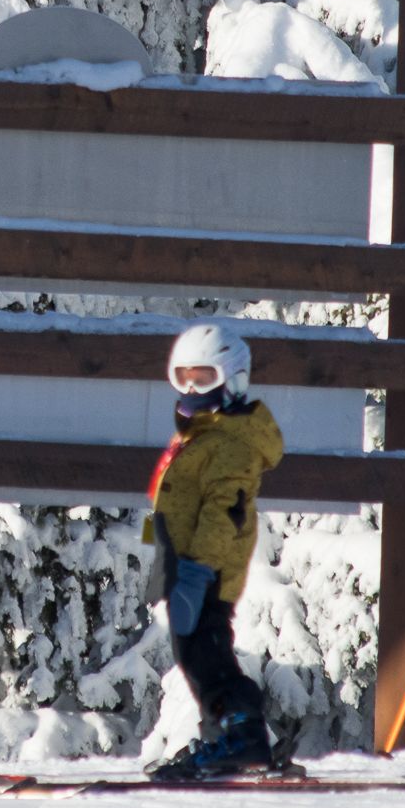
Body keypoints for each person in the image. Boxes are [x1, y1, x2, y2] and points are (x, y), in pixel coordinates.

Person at [144, 321, 284, 780]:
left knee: (207, 656)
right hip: (185, 563)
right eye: (181, 376)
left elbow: (224, 512)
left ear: (233, 379)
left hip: (204, 569)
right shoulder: (200, 435)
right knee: (197, 652)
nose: (189, 387)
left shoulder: (229, 443)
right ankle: (223, 738)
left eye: (202, 377)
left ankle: (244, 736)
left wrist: (197, 571)